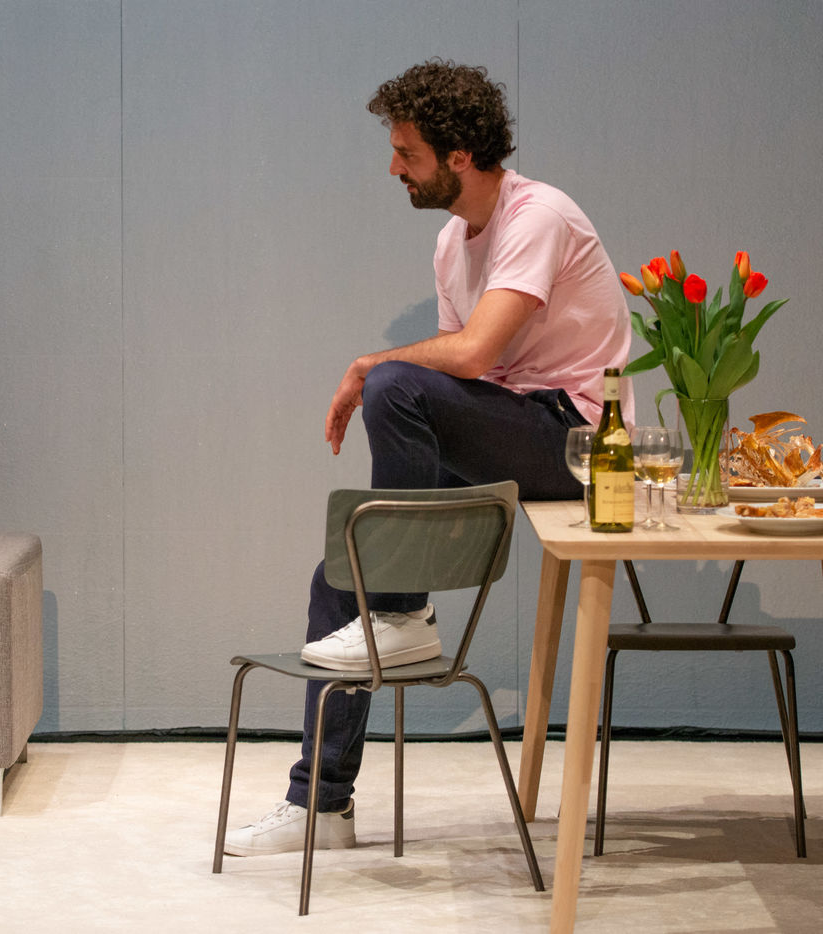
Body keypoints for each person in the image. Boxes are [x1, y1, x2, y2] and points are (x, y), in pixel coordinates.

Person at [224, 60, 631, 856]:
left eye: (406, 152)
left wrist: (369, 365)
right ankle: (322, 805)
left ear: (459, 156)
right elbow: (458, 388)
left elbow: (471, 355)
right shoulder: (451, 243)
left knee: (395, 383)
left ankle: (403, 612)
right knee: (340, 574)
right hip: (507, 428)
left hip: (577, 440)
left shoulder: (537, 215)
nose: (393, 168)